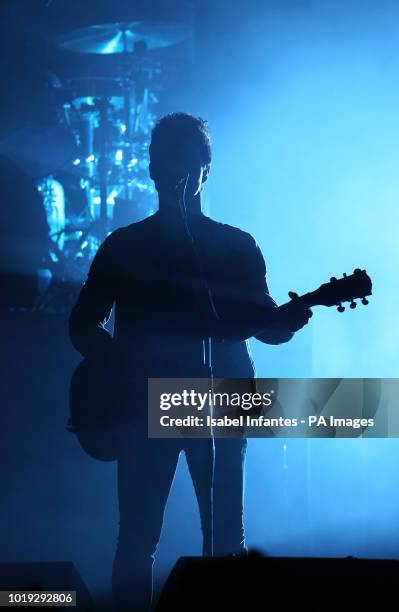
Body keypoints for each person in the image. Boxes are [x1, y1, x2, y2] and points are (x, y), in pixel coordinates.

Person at [69, 112, 312, 610]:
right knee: (138, 537)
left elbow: (264, 326)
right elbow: (82, 324)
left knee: (225, 537)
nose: (176, 171)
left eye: (188, 160)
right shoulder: (125, 245)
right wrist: (123, 368)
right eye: (167, 161)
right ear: (152, 170)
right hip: (145, 407)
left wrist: (287, 322)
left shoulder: (236, 246)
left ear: (207, 169)